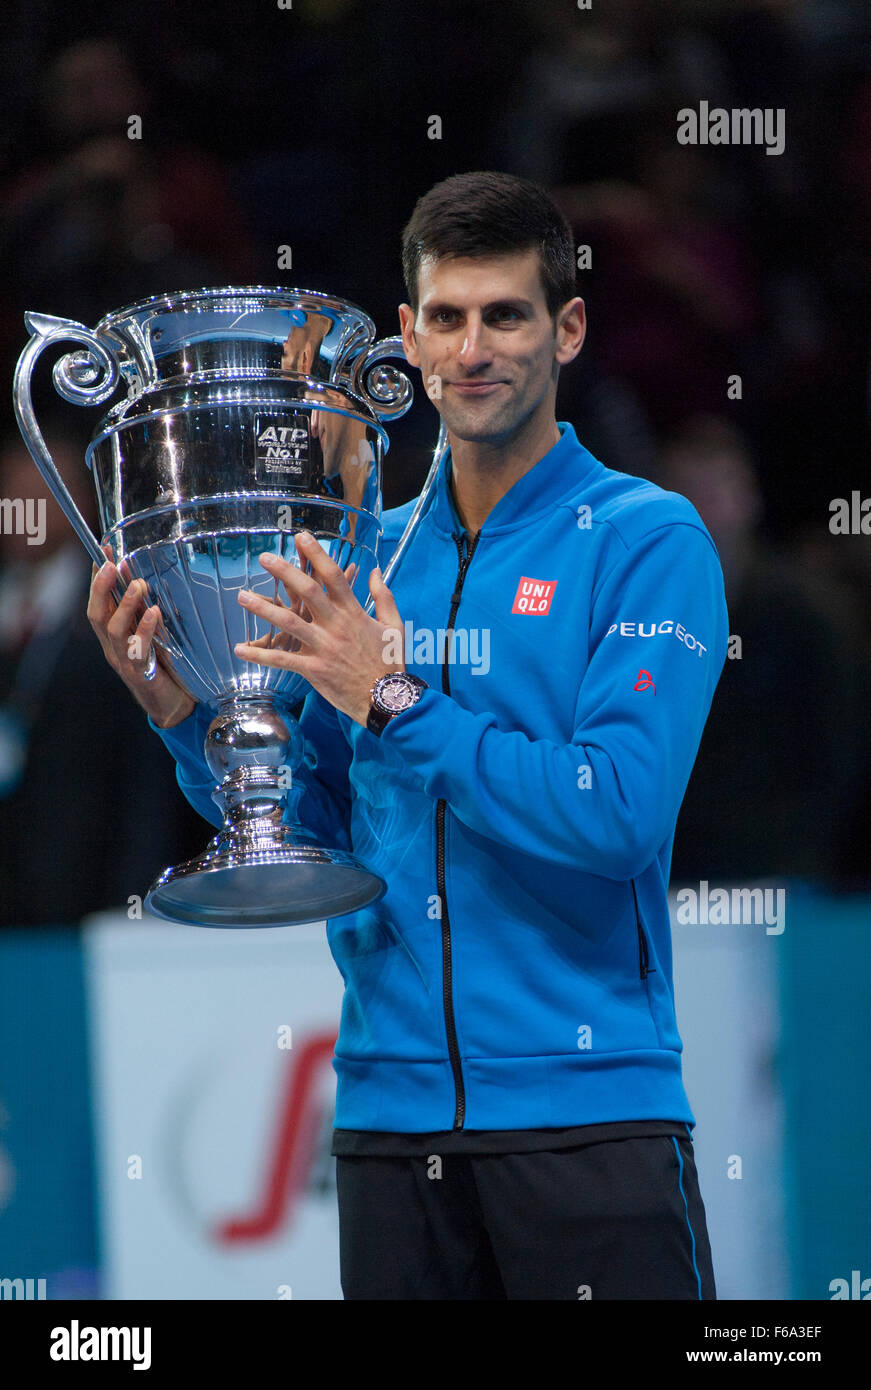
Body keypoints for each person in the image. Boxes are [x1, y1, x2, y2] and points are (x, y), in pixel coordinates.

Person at [88, 170, 728, 1300]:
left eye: (506, 315)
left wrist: (394, 700)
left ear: (567, 329)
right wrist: (186, 718)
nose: (472, 348)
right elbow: (321, 829)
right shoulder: (363, 555)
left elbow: (615, 811)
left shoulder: (645, 538)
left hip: (589, 1125)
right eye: (445, 316)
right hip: (388, 1134)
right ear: (406, 336)